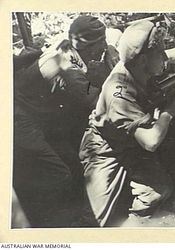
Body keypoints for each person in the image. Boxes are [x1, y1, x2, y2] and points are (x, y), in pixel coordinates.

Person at [79, 20, 175, 227]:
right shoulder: (119, 92)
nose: (165, 57)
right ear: (143, 60)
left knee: (158, 190)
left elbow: (170, 57)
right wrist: (170, 111)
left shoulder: (138, 67)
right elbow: (151, 142)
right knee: (95, 220)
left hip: (129, 142)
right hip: (105, 150)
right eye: (160, 53)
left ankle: (134, 226)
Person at [13, 15, 109, 227]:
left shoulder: (68, 46)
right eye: (101, 41)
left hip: (34, 114)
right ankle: (45, 222)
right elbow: (93, 100)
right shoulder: (66, 65)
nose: (105, 45)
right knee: (58, 174)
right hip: (18, 119)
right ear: (90, 44)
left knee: (73, 163)